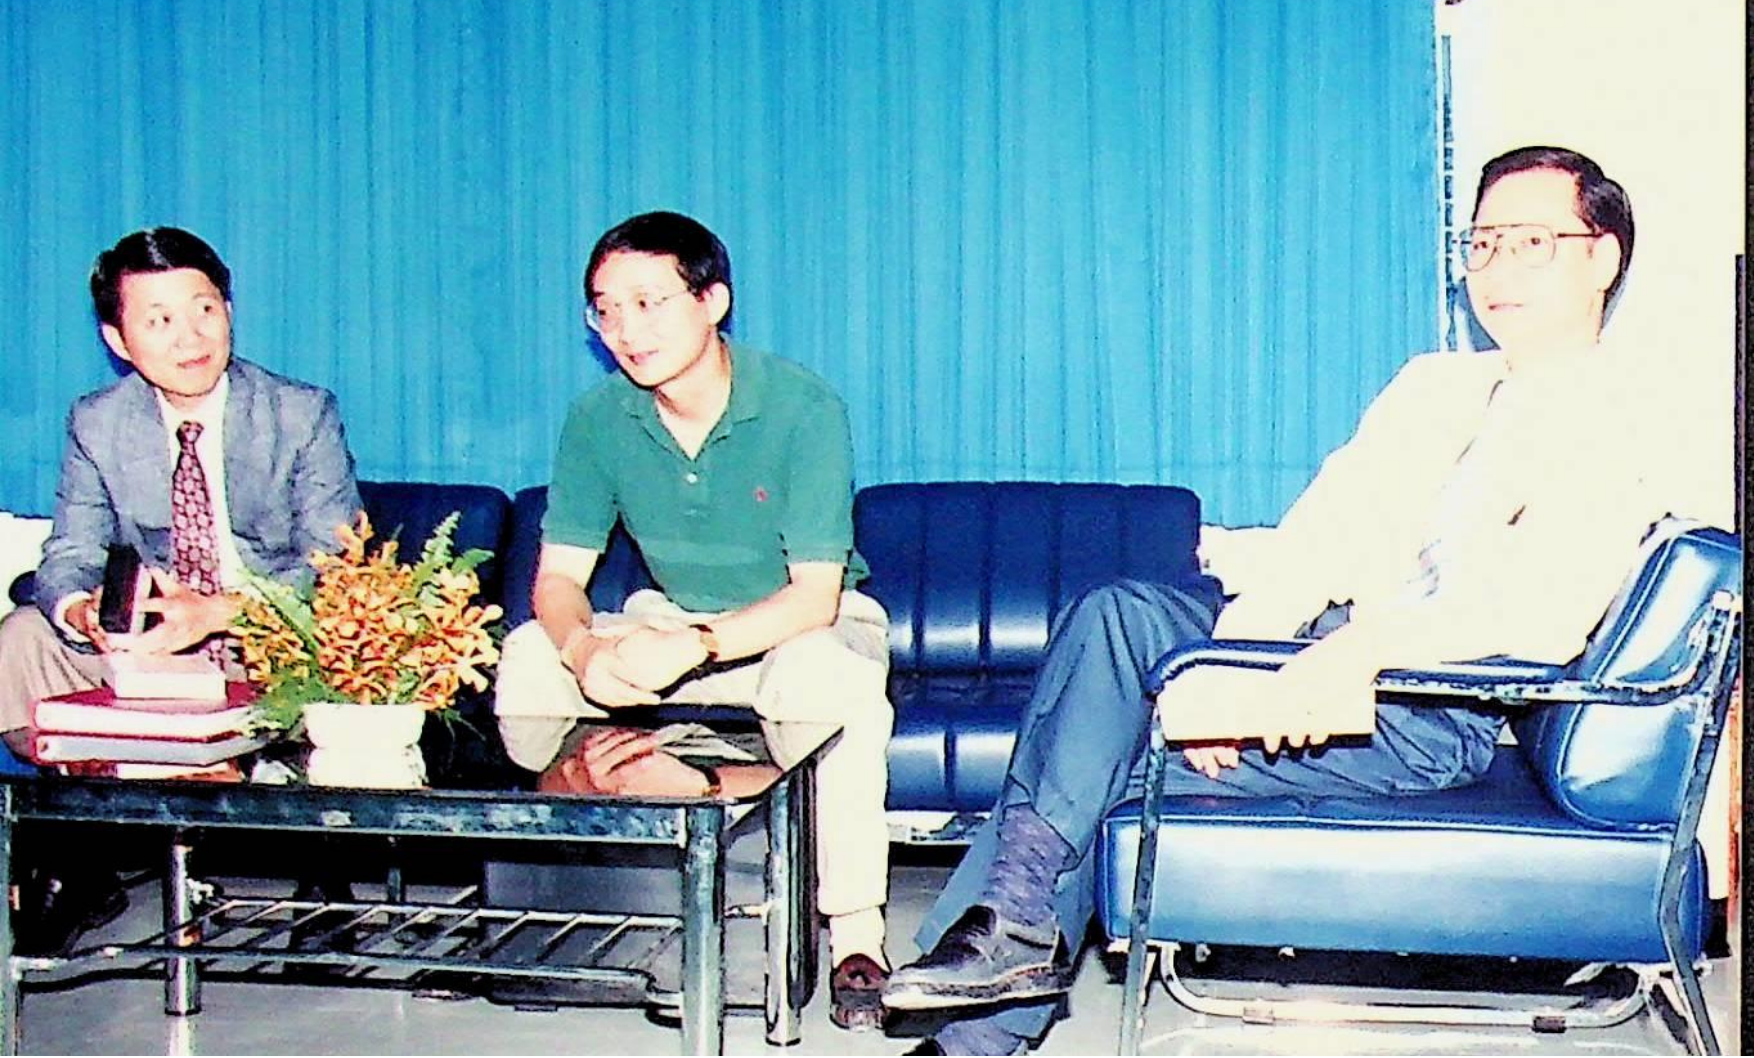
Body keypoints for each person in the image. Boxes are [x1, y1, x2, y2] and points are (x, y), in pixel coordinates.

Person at [883, 146, 1675, 1055]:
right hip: (1318, 656)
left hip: (1423, 702)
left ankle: (981, 1013)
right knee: (1118, 615)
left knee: (1094, 753)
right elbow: (1321, 539)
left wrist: (1345, 657)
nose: (1495, 269)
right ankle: (1013, 932)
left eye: (1530, 242)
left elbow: (1537, 617)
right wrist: (1222, 679)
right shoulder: (1434, 386)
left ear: (1602, 258)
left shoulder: (1619, 418)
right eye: (1483, 243)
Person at [493, 210, 894, 1031]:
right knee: (529, 657)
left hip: (796, 626)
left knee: (826, 678)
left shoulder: (801, 406)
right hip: (668, 618)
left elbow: (814, 596)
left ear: (712, 301)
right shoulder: (598, 418)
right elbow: (558, 580)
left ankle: (857, 936)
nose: (625, 330)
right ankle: (573, 873)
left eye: (649, 303)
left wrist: (696, 646)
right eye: (606, 310)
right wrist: (582, 649)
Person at [0, 226, 362, 954]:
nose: (189, 337)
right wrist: (85, 612)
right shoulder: (99, 422)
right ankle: (79, 848)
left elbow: (336, 569)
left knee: (348, 644)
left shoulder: (300, 413)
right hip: (150, 650)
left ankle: (321, 870)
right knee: (21, 640)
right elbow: (68, 554)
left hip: (268, 635)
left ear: (228, 311)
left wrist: (221, 611)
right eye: (159, 319)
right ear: (119, 340)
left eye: (204, 309)